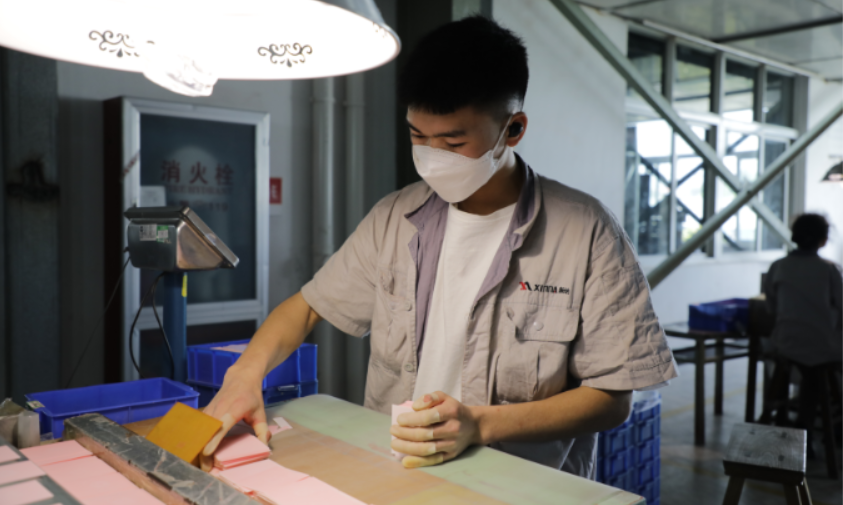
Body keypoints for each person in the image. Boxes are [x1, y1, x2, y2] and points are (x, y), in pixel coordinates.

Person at [202, 16, 676, 477]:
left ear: (512, 129)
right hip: (398, 473)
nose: (431, 158)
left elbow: (612, 399)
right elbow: (306, 308)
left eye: (452, 142)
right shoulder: (395, 218)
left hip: (517, 486)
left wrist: (480, 424)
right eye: (418, 136)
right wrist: (244, 375)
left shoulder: (585, 231)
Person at [764, 213, 843, 440]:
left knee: (806, 365)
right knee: (819, 367)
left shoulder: (778, 266)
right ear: (823, 240)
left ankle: (782, 417)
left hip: (785, 343)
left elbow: (771, 308)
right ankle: (813, 426)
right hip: (821, 348)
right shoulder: (829, 270)